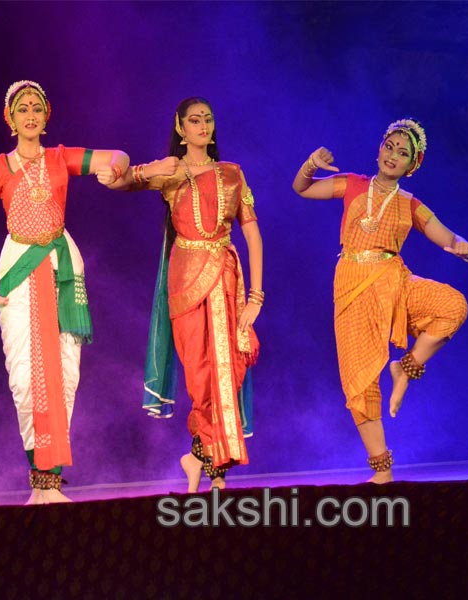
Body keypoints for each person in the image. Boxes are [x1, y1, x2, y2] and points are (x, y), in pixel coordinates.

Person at [0, 80, 129, 504]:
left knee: (65, 375)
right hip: (18, 268)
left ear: (46, 114)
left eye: (37, 107)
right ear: (10, 118)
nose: (30, 115)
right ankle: (39, 483)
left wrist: (118, 170)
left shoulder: (60, 159)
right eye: (22, 109)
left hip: (60, 267)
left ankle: (49, 485)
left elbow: (118, 156)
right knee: (25, 377)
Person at [292, 118, 468, 483]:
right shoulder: (352, 185)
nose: (393, 156)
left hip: (394, 283)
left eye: (403, 153)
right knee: (359, 383)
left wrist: (459, 245)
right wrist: (311, 163)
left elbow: (443, 235)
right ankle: (382, 471)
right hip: (352, 286)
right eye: (389, 147)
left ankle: (405, 368)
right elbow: (302, 189)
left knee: (453, 306)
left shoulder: (410, 204)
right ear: (379, 148)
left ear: (412, 165)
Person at [114, 97, 263, 493]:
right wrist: (139, 168)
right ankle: (203, 459)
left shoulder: (232, 173)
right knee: (200, 375)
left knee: (227, 369)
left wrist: (256, 297)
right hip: (184, 278)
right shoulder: (172, 173)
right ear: (180, 128)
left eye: (208, 119)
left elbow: (251, 232)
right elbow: (121, 181)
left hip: (227, 279)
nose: (203, 125)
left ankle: (208, 465)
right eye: (194, 120)